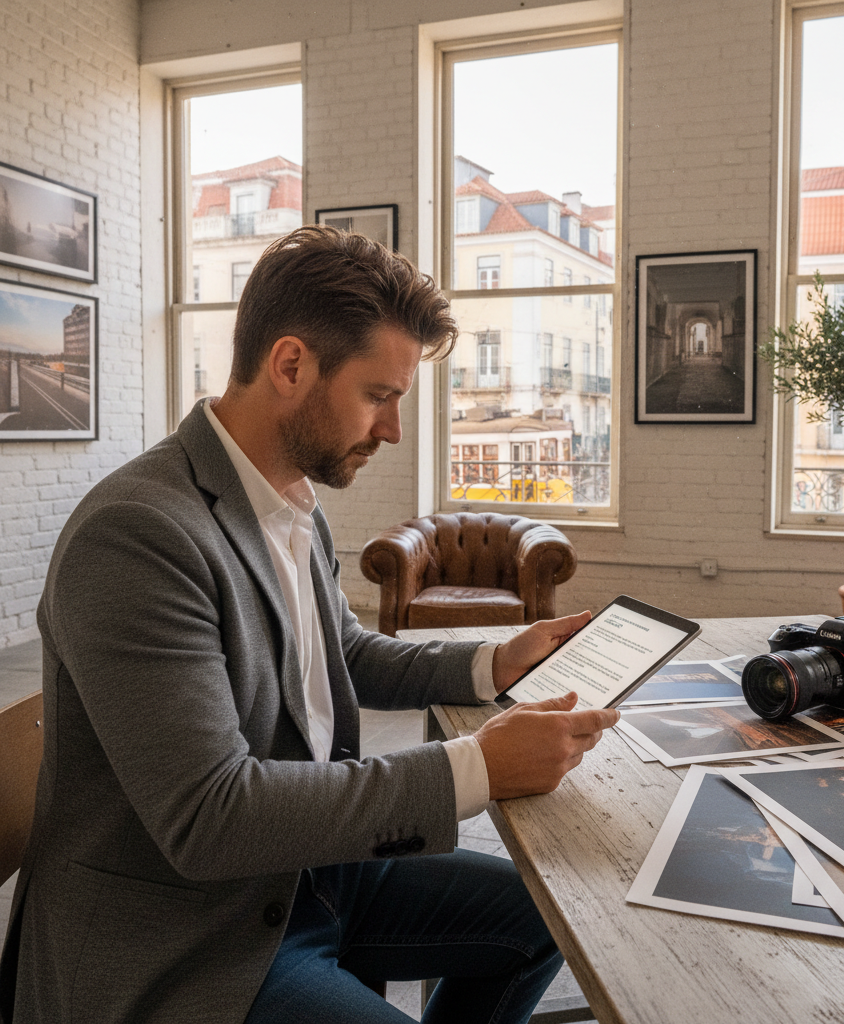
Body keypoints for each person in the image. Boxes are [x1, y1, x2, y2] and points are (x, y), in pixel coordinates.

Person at [0, 226, 619, 1024]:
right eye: (380, 396)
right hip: (190, 933)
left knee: (547, 912)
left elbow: (341, 656)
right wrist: (477, 768)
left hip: (307, 873)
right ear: (291, 365)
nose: (392, 431)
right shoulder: (137, 534)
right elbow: (211, 818)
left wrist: (496, 662)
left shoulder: (291, 503)